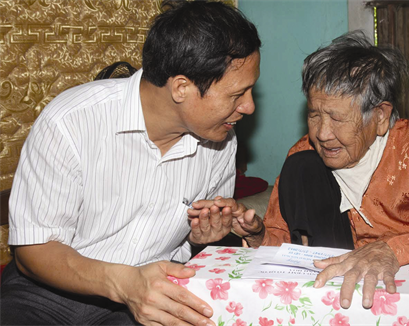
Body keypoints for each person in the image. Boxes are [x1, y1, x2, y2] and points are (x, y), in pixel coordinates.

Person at [0, 0, 261, 325]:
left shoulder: (221, 142)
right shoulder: (71, 121)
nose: (249, 107)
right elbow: (33, 252)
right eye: (237, 94)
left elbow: (193, 241)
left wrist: (204, 234)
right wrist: (125, 285)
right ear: (181, 87)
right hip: (47, 293)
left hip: (154, 290)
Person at [235, 31, 409, 322]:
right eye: (315, 114)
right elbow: (284, 243)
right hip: (333, 295)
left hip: (404, 292)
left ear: (380, 117)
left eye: (338, 118)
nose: (322, 133)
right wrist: (258, 236)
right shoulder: (303, 157)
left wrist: (391, 249)